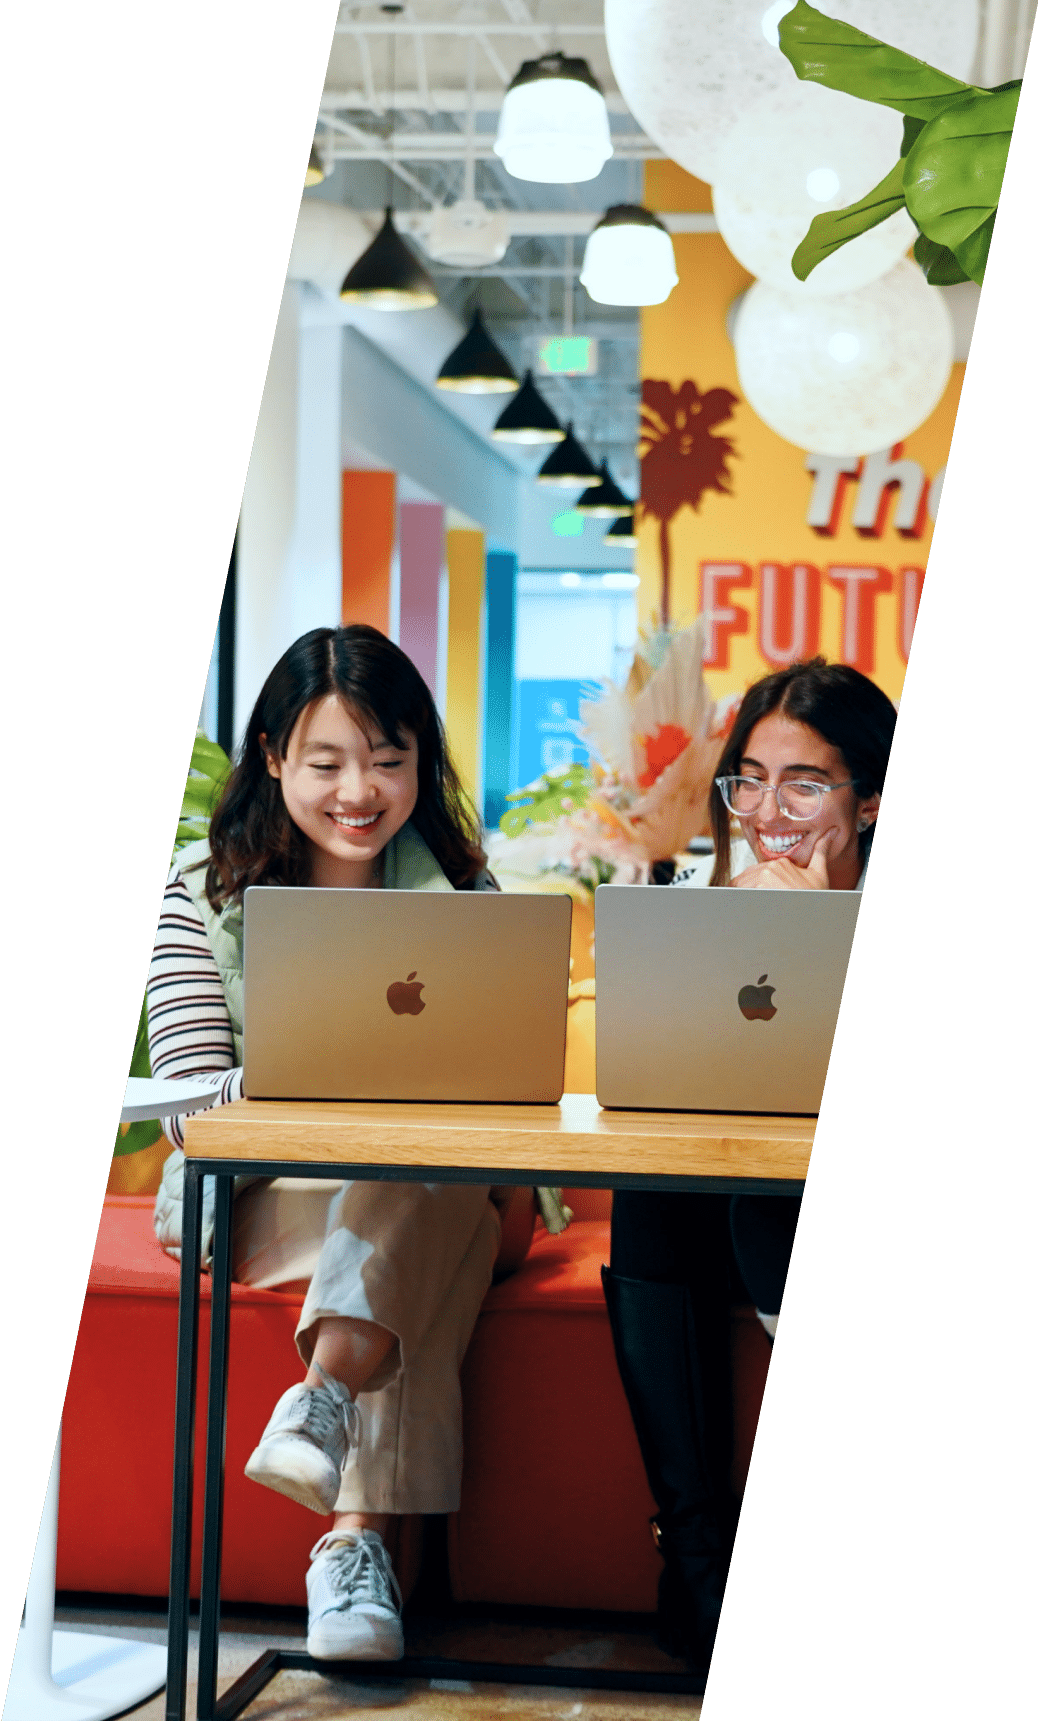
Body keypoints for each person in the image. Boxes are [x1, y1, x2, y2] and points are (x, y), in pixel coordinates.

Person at [148, 624, 539, 1664]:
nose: (359, 791)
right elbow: (188, 1104)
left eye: (388, 759)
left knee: (421, 1170)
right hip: (263, 1193)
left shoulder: (467, 896)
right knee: (432, 1207)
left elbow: (509, 1085)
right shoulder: (199, 896)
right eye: (326, 763)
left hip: (442, 1183)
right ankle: (354, 1545)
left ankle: (322, 1404)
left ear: (421, 764)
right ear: (274, 757)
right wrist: (326, 1073)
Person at [602, 658, 897, 1668]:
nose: (769, 813)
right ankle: (696, 1563)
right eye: (751, 781)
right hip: (732, 1211)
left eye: (804, 785)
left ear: (869, 800)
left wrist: (810, 937)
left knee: (760, 1204)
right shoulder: (699, 904)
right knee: (654, 1191)